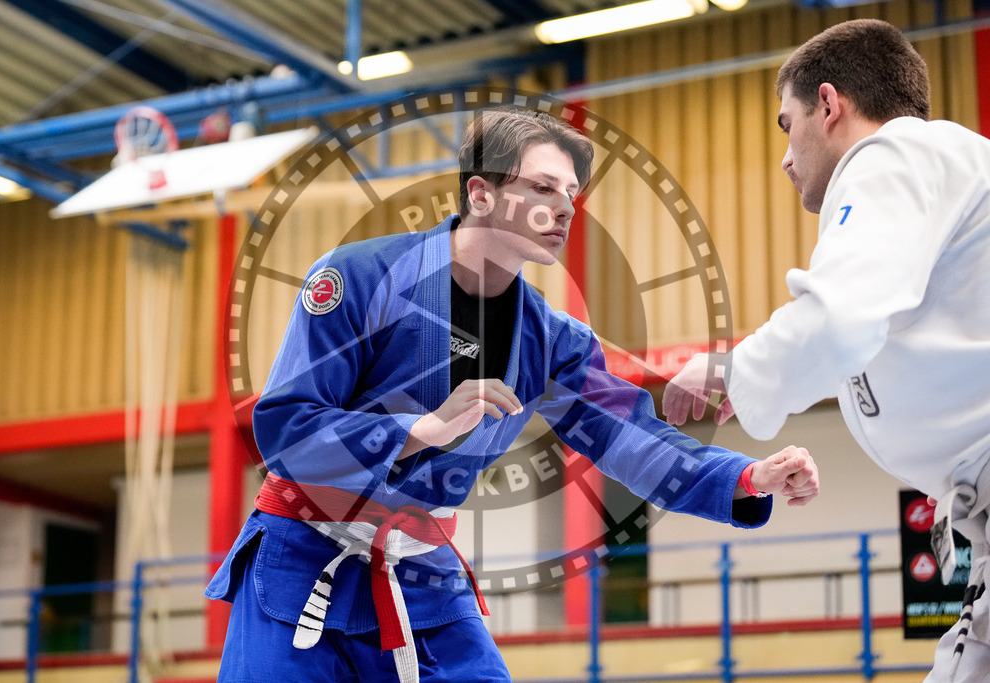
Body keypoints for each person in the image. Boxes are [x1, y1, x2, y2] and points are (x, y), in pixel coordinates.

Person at [206, 105, 821, 682]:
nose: (565, 208)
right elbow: (287, 429)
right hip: (301, 559)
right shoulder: (359, 279)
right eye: (543, 188)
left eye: (572, 195)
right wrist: (416, 431)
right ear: (481, 193)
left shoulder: (552, 342)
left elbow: (631, 437)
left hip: (421, 569)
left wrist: (743, 478)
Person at [661, 19, 990, 682]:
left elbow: (840, 317)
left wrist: (730, 371)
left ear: (831, 106)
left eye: (787, 124)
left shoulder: (893, 156)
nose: (785, 157)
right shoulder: (950, 165)